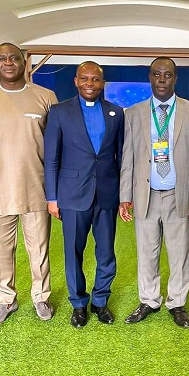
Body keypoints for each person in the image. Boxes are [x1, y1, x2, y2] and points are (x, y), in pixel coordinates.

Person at [0, 43, 58, 327]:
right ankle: (6, 299)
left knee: (39, 247)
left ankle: (41, 296)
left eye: (14, 58)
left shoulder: (45, 96)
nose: (8, 63)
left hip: (37, 184)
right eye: (2, 59)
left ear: (24, 62)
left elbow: (57, 145)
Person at [119, 57, 189, 328]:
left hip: (177, 194)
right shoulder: (133, 113)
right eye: (157, 75)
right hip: (145, 194)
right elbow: (128, 158)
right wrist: (124, 196)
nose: (162, 80)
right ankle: (149, 300)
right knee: (147, 251)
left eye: (167, 75)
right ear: (150, 77)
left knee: (179, 252)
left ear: (175, 78)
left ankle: (177, 303)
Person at [44, 61, 124, 327]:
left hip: (106, 194)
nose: (90, 84)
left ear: (102, 83)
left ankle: (100, 301)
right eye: (85, 79)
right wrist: (52, 197)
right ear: (76, 81)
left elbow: (121, 156)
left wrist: (123, 193)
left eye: (96, 80)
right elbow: (51, 158)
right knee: (73, 252)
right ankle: (78, 303)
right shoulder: (59, 112)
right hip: (72, 195)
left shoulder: (116, 113)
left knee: (106, 252)